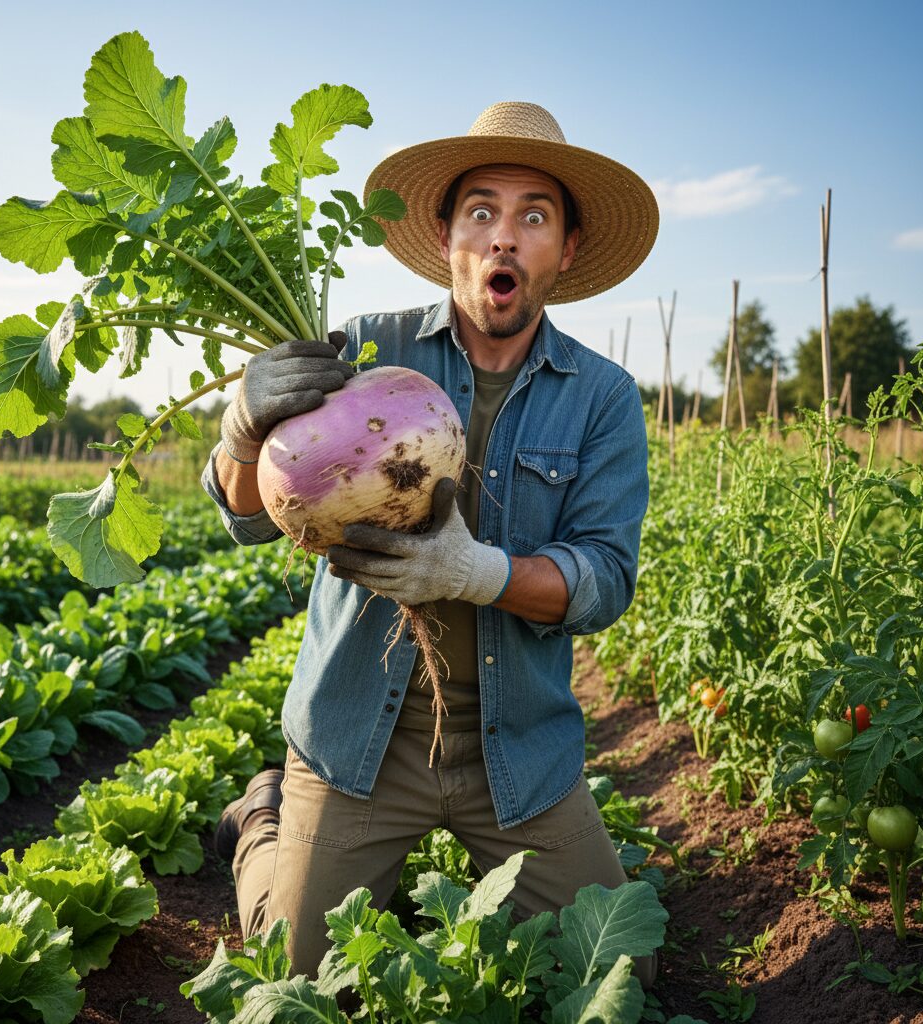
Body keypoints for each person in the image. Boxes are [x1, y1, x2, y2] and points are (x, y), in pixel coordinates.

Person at [201, 101, 658, 987]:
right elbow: (249, 517)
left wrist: (476, 573)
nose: (503, 239)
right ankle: (261, 823)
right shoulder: (364, 349)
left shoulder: (603, 398)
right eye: (481, 212)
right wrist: (242, 432)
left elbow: (605, 582)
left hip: (514, 749)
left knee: (623, 976)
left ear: (563, 251)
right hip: (357, 740)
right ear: (447, 236)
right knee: (292, 978)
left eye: (534, 217)